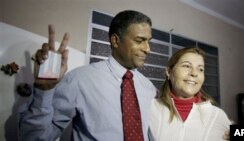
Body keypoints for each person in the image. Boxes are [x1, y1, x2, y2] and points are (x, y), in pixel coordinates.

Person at [19, 10, 156, 141]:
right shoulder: (78, 80)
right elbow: (36, 138)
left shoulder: (149, 88)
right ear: (115, 41)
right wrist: (43, 91)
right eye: (139, 40)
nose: (147, 49)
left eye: (148, 41)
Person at [149, 47, 232, 141]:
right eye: (187, 66)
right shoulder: (150, 108)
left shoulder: (217, 114)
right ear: (169, 71)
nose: (194, 73)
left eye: (200, 69)